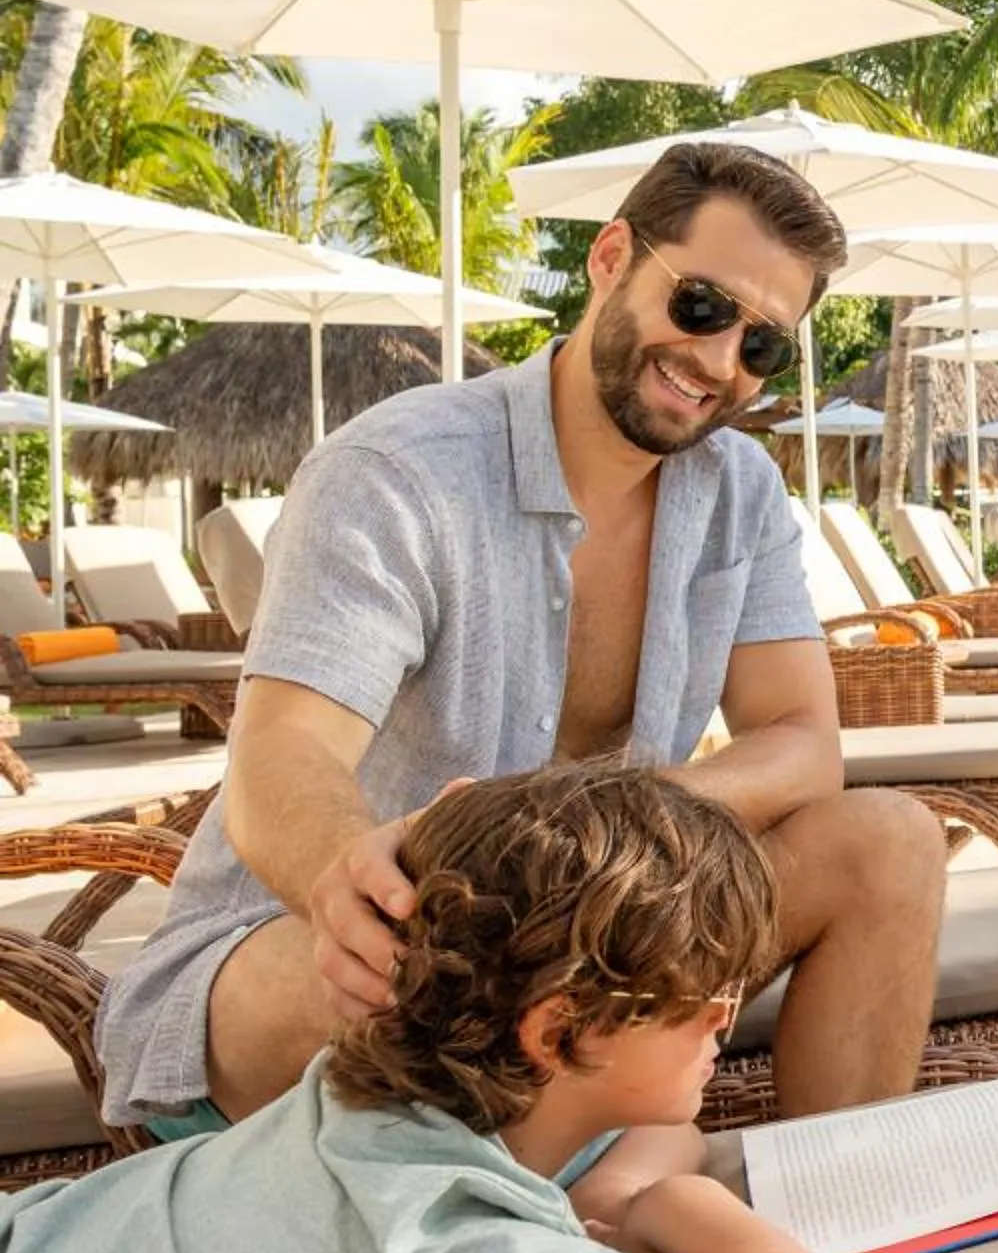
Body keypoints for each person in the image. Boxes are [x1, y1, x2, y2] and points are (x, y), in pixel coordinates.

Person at [95, 142, 945, 1149]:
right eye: (704, 306)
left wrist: (606, 828)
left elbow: (804, 740)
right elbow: (283, 749)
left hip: (600, 934)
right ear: (613, 256)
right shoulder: (399, 472)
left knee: (889, 842)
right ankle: (594, 1213)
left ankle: (842, 1222)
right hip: (345, 941)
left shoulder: (739, 493)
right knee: (458, 966)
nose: (720, 362)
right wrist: (348, 872)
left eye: (762, 347)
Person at [0, 764, 879, 1253]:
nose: (727, 1019)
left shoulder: (367, 1090)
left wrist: (621, 1191)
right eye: (705, 997)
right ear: (557, 1033)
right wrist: (675, 1202)